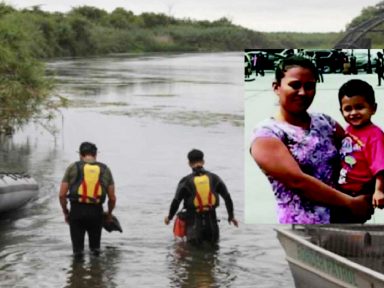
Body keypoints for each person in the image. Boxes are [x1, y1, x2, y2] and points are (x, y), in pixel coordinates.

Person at [250, 55, 372, 224]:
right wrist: (351, 203)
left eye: (309, 86)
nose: (302, 92)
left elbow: (360, 151)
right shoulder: (267, 134)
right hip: (303, 227)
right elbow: (298, 181)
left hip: (344, 220)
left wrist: (371, 192)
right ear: (277, 87)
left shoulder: (325, 122)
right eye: (295, 85)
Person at [332, 79, 384, 223]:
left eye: (360, 107)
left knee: (348, 228)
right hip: (343, 188)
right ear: (341, 111)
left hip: (359, 191)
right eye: (348, 109)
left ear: (373, 108)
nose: (353, 113)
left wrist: (379, 191)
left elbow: (380, 167)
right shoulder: (348, 130)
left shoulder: (375, 136)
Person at [164, 149, 238, 245]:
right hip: (212, 228)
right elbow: (227, 197)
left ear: (189, 163)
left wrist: (169, 218)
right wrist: (231, 216)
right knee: (213, 255)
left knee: (193, 256)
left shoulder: (185, 181)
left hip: (194, 228)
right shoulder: (215, 178)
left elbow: (176, 201)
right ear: (203, 162)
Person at [59, 142, 116, 257]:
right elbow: (112, 198)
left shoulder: (72, 167)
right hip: (96, 213)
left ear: (80, 154)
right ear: (95, 155)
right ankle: (96, 272)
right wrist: (109, 214)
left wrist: (66, 212)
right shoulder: (105, 169)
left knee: (77, 252)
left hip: (76, 212)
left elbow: (61, 195)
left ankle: (77, 273)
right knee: (95, 251)